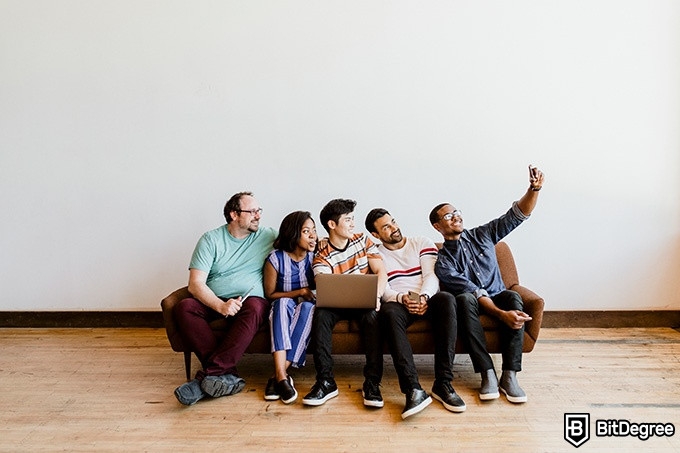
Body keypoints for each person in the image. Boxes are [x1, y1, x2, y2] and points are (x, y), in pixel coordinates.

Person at [430, 165, 544, 404]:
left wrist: (534, 189)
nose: (456, 217)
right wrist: (501, 315)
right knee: (464, 298)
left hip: (498, 295)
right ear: (437, 227)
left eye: (456, 212)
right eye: (448, 216)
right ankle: (487, 373)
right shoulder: (443, 261)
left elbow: (517, 216)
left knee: (514, 298)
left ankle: (510, 376)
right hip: (472, 305)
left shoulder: (483, 234)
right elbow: (473, 291)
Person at [173, 191, 277, 406]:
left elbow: (300, 238)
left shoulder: (268, 236)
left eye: (259, 211)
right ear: (234, 214)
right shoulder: (211, 239)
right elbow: (196, 284)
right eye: (252, 211)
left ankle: (208, 376)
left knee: (257, 307)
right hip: (215, 299)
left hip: (249, 300)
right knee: (184, 307)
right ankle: (226, 375)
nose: (258, 215)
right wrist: (220, 306)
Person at [365, 208, 465, 419]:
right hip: (400, 302)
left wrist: (424, 298)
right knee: (388, 313)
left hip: (428, 297)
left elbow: (432, 275)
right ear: (375, 235)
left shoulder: (421, 242)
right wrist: (402, 299)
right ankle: (413, 389)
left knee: (447, 299)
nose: (394, 228)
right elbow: (383, 288)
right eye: (386, 227)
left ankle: (443, 383)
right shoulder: (375, 253)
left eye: (393, 222)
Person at [302, 198, 388, 408]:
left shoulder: (363, 240)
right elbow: (324, 285)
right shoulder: (321, 253)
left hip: (365, 302)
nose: (352, 224)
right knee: (320, 315)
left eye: (352, 219)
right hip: (336, 305)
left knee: (372, 316)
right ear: (332, 225)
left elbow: (380, 271)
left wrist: (376, 296)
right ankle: (325, 381)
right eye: (347, 220)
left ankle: (372, 383)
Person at [262, 211, 318, 405]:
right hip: (282, 305)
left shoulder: (316, 256)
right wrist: (300, 291)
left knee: (309, 308)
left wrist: (306, 295)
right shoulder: (275, 259)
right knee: (282, 303)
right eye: (306, 231)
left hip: (307, 307)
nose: (313, 236)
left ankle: (278, 376)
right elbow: (270, 294)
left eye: (314, 230)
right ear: (293, 234)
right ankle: (283, 377)